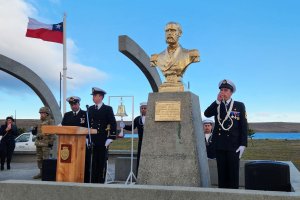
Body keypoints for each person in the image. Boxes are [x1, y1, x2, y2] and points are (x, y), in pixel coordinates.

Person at [204, 79, 248, 189]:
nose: (223, 92)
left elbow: (244, 126)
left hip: (234, 146)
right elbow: (207, 113)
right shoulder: (217, 105)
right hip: (219, 145)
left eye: (226, 90)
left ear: (231, 92)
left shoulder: (239, 105)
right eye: (221, 90)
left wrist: (243, 144)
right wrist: (217, 101)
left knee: (233, 174)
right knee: (222, 174)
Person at [150, 22, 199, 91]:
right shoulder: (156, 58)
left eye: (173, 30)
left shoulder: (190, 54)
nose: (169, 33)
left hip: (179, 85)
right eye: (167, 31)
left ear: (180, 33)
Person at [86, 87, 117, 183]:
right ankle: (92, 181)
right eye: (93, 96)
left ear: (101, 97)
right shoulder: (90, 109)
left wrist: (110, 137)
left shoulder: (107, 109)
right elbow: (87, 124)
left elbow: (113, 123)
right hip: (92, 139)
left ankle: (100, 182)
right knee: (92, 162)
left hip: (102, 139)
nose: (93, 97)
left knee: (101, 162)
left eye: (95, 96)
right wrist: (86, 137)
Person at [121, 102, 147, 177]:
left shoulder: (152, 118)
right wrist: (124, 126)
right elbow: (131, 128)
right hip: (141, 141)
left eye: (145, 108)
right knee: (139, 158)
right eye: (142, 108)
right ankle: (139, 175)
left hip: (150, 143)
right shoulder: (137, 119)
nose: (143, 110)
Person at [32, 107, 55, 179]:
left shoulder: (50, 121)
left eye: (43, 113)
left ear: (47, 114)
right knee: (39, 159)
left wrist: (51, 142)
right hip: (38, 143)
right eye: (40, 113)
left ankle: (46, 173)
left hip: (45, 143)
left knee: (45, 159)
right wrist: (34, 130)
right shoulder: (38, 122)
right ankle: (41, 173)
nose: (41, 114)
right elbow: (35, 132)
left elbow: (53, 132)